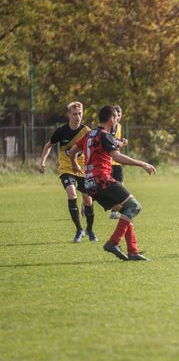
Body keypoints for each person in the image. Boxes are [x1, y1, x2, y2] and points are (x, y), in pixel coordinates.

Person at [69, 105, 156, 261]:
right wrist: (142, 164)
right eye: (116, 117)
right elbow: (117, 157)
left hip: (90, 184)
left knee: (126, 212)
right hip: (102, 179)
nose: (117, 121)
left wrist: (74, 163)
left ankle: (133, 251)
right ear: (111, 119)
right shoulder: (105, 135)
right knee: (134, 206)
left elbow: (73, 150)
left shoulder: (89, 134)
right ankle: (113, 243)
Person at [38, 101, 96, 242]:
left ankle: (89, 229)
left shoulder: (87, 131)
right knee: (71, 194)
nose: (77, 117)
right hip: (66, 167)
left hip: (82, 168)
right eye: (74, 114)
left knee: (87, 200)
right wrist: (42, 161)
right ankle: (79, 230)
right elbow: (48, 145)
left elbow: (93, 150)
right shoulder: (61, 131)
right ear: (69, 115)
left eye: (80, 114)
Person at [109, 105, 128, 220]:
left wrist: (122, 143)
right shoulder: (109, 127)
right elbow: (111, 143)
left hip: (117, 162)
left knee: (120, 185)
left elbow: (116, 143)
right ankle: (87, 203)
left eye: (119, 115)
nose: (118, 117)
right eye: (116, 115)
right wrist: (120, 143)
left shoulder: (119, 126)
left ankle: (114, 211)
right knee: (108, 187)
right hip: (108, 161)